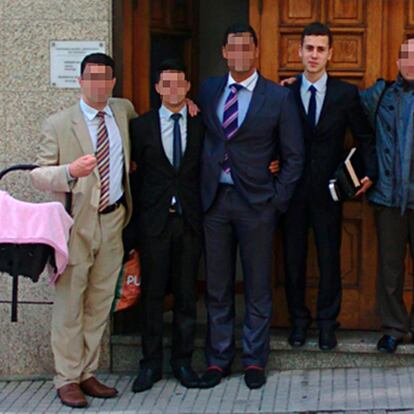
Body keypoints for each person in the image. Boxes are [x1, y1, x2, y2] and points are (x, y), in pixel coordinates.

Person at [197, 23, 304, 390]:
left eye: (246, 46)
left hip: (258, 204)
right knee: (217, 286)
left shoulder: (277, 97)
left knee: (257, 286)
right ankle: (218, 359)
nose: (240, 53)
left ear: (256, 51)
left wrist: (277, 199)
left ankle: (255, 360)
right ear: (224, 52)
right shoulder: (209, 89)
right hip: (215, 202)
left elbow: (293, 156)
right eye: (233, 47)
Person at [30, 53, 137, 408]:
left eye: (105, 77)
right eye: (91, 77)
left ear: (113, 81)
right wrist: (69, 171)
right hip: (76, 224)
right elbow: (38, 174)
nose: (98, 84)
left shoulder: (123, 111)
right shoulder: (59, 123)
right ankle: (66, 378)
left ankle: (87, 372)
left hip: (113, 219)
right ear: (79, 80)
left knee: (99, 302)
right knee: (70, 304)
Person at [280, 22, 377, 351]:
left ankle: (326, 323)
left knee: (329, 259)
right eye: (309, 48)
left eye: (321, 49)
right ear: (300, 51)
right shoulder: (285, 93)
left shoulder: (345, 94)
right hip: (291, 192)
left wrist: (368, 173)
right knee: (293, 260)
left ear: (330, 54)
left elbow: (364, 137)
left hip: (329, 192)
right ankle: (298, 321)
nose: (314, 54)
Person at [129, 59, 204, 392]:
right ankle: (150, 364)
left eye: (180, 84)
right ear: (158, 88)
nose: (174, 90)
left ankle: (183, 362)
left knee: (187, 295)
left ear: (188, 88)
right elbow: (133, 175)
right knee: (153, 296)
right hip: (154, 223)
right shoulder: (140, 127)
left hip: (188, 221)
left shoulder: (200, 122)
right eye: (167, 84)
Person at [360, 38, 414, 353]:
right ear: (397, 62)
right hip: (389, 199)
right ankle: (394, 328)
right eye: (405, 56)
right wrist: (301, 82)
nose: (410, 62)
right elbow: (338, 100)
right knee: (390, 270)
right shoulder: (379, 96)